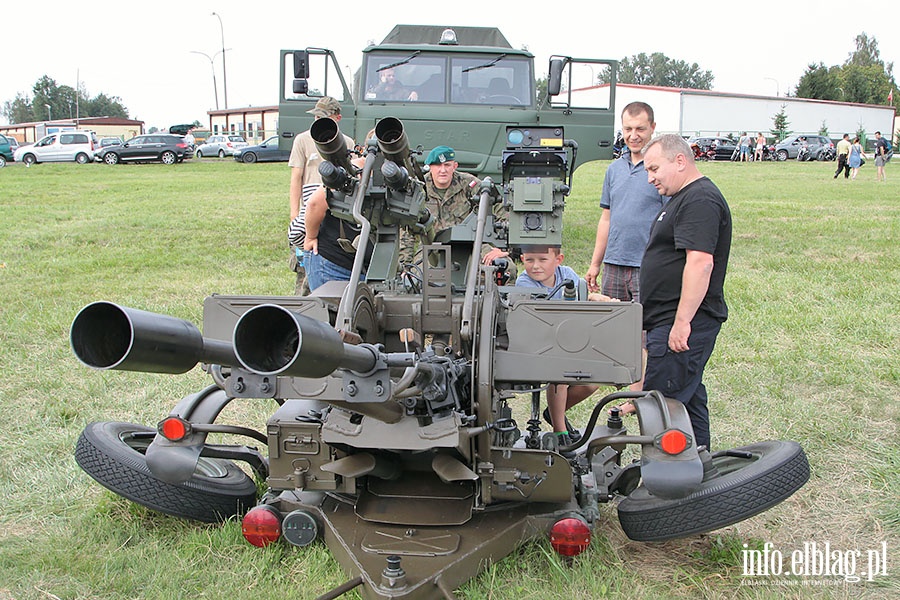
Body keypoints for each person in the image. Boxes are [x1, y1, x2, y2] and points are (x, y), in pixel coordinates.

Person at [638, 134, 732, 451]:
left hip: (681, 323)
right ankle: (699, 471)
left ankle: (664, 488)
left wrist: (682, 322)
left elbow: (701, 263)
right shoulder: (682, 198)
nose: (650, 178)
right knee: (688, 400)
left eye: (654, 169)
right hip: (667, 320)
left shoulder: (700, 199)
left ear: (680, 161)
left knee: (661, 408)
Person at [586, 101, 667, 391]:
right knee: (611, 330)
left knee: (645, 335)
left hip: (647, 267)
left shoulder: (660, 169)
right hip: (614, 264)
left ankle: (638, 398)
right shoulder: (614, 170)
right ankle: (607, 386)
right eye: (628, 129)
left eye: (641, 129)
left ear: (653, 128)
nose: (634, 135)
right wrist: (596, 263)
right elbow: (606, 218)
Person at [515, 244, 611, 445]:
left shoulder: (565, 274)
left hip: (568, 341)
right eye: (529, 260)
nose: (535, 266)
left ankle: (554, 412)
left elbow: (582, 293)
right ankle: (560, 432)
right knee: (561, 375)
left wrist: (596, 297)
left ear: (558, 260)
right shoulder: (524, 282)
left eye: (543, 260)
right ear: (523, 259)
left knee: (592, 382)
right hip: (540, 345)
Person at [287, 97, 355, 294]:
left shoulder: (347, 142)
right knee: (305, 261)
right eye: (316, 116)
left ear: (338, 118)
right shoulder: (303, 139)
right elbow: (296, 177)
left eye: (324, 116)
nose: (318, 120)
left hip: (336, 208)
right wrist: (295, 213)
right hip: (310, 205)